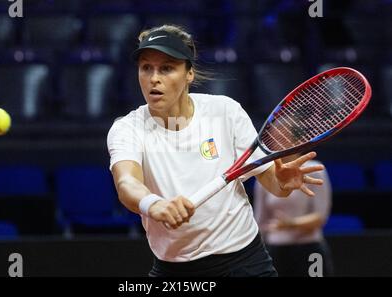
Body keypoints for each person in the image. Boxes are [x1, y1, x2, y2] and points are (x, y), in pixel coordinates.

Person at [107, 24, 325, 277]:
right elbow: (126, 183)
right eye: (146, 68)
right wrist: (153, 204)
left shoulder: (225, 112)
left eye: (167, 68)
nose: (154, 78)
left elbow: (272, 183)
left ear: (189, 73)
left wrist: (282, 183)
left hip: (243, 262)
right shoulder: (127, 128)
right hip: (173, 268)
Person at [253, 153, 334, 277]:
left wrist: (289, 224)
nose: (277, 143)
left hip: (309, 249)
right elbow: (260, 221)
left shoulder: (314, 170)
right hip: (275, 251)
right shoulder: (265, 175)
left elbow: (320, 217)